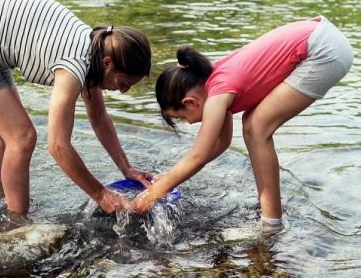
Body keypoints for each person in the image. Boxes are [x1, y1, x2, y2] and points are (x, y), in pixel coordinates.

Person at [0, 0, 154, 214]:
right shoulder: (74, 65)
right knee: (21, 137)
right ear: (108, 63)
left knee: (8, 133)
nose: (123, 91)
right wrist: (101, 194)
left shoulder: (95, 49)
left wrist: (126, 168)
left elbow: (98, 116)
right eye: (124, 83)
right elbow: (57, 146)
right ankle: (16, 223)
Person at [130, 16, 353, 229]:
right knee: (254, 124)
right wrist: (168, 178)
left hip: (324, 50)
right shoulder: (214, 84)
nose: (188, 123)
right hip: (323, 38)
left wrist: (151, 195)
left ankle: (271, 223)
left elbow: (198, 155)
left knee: (256, 128)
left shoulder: (217, 95)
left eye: (181, 118)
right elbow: (221, 143)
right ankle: (268, 211)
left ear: (190, 102)